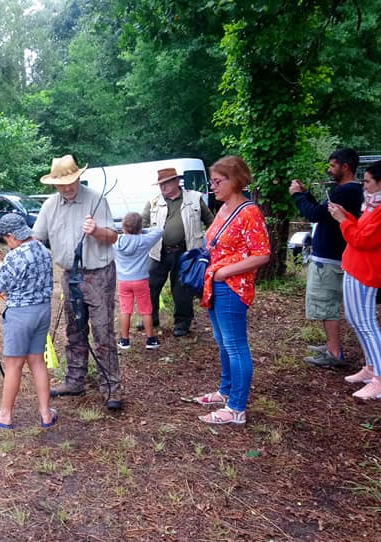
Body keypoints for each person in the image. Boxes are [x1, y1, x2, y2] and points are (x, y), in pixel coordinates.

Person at [32, 154, 123, 410]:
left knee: (103, 332)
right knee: (74, 331)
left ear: (79, 177)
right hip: (69, 276)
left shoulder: (96, 200)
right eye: (61, 184)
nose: (67, 188)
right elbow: (36, 238)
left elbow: (113, 236)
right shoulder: (50, 206)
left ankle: (111, 387)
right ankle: (75, 381)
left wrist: (96, 231)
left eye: (70, 182)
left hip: (99, 275)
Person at [192, 156, 271, 425]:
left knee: (235, 345)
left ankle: (236, 407)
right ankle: (225, 391)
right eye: (212, 181)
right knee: (222, 340)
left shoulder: (249, 212)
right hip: (215, 283)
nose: (212, 186)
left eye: (217, 181)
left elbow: (262, 255)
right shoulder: (224, 208)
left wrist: (225, 271)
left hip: (232, 287)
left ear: (235, 180)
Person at [327, 158, 381, 400]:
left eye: (367, 181)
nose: (363, 186)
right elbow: (363, 233)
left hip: (368, 270)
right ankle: (372, 368)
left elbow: (364, 240)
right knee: (357, 320)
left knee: (365, 322)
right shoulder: (378, 204)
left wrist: (342, 221)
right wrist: (346, 216)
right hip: (358, 266)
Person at [0, 213, 56, 429]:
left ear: (11, 236)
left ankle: (4, 416)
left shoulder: (15, 257)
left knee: (14, 364)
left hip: (21, 315)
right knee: (37, 360)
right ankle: (45, 414)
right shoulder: (43, 249)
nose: (7, 243)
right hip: (43, 311)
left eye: (6, 239)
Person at [289, 148, 365, 368]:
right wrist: (306, 195)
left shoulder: (346, 191)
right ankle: (332, 345)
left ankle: (334, 352)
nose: (330, 170)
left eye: (333, 166)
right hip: (333, 257)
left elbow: (313, 214)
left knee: (326, 305)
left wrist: (297, 195)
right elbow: (322, 213)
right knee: (326, 305)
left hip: (330, 259)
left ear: (346, 167)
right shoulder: (348, 191)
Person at [142, 168, 215, 337]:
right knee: (150, 285)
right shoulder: (153, 202)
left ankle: (182, 322)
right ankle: (150, 318)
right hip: (158, 252)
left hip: (186, 252)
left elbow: (211, 222)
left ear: (176, 182)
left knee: (182, 289)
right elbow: (142, 224)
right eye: (161, 184)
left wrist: (208, 247)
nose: (163, 187)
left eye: (166, 183)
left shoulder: (195, 198)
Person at [115, 213, 164, 350]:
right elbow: (160, 230)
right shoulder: (144, 240)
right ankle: (151, 339)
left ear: (123, 226)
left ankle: (124, 340)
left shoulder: (116, 241)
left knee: (125, 310)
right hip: (140, 280)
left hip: (123, 281)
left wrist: (130, 231)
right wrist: (141, 231)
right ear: (139, 228)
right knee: (146, 310)